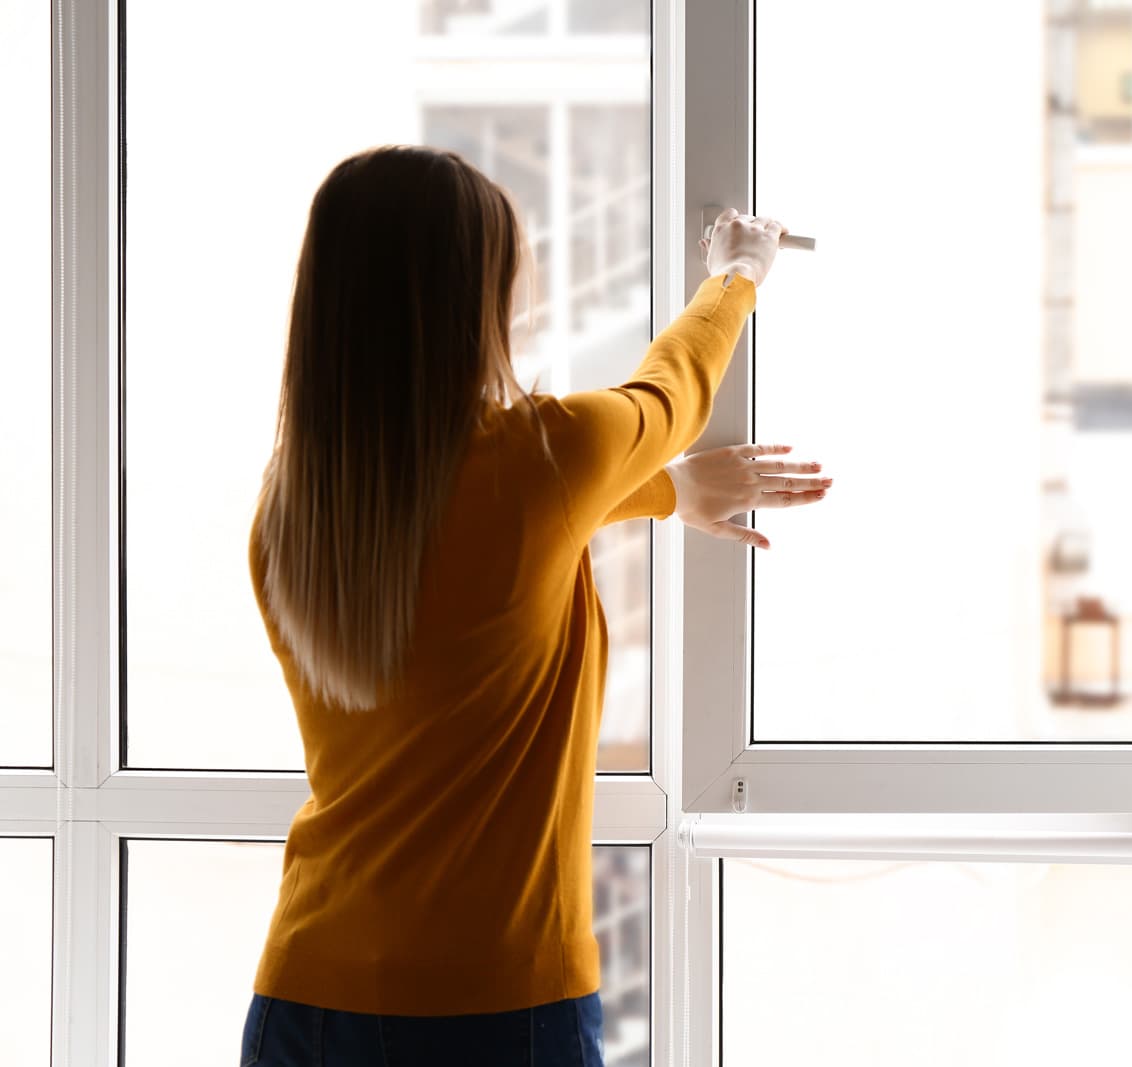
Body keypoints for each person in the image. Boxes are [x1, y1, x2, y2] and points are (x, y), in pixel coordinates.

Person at [238, 144, 825, 1066]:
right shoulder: (546, 459)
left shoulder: (294, 512)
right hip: (496, 1006)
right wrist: (740, 270)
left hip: (307, 992)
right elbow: (672, 391)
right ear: (467, 298)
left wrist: (668, 492)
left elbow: (464, 534)